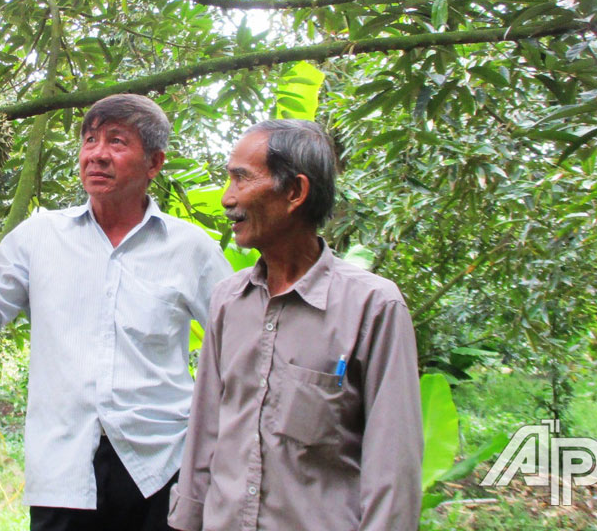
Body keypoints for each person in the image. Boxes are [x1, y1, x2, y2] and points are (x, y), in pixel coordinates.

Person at [0, 93, 231, 531]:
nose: (97, 155)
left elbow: (236, 343)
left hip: (162, 465)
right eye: (90, 140)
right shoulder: (41, 236)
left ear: (154, 162)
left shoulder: (190, 248)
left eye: (117, 141)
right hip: (64, 470)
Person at [169, 119, 422, 531]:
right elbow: (205, 430)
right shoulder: (228, 301)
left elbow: (393, 467)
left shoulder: (373, 306)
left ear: (295, 193)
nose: (226, 198)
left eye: (241, 179)